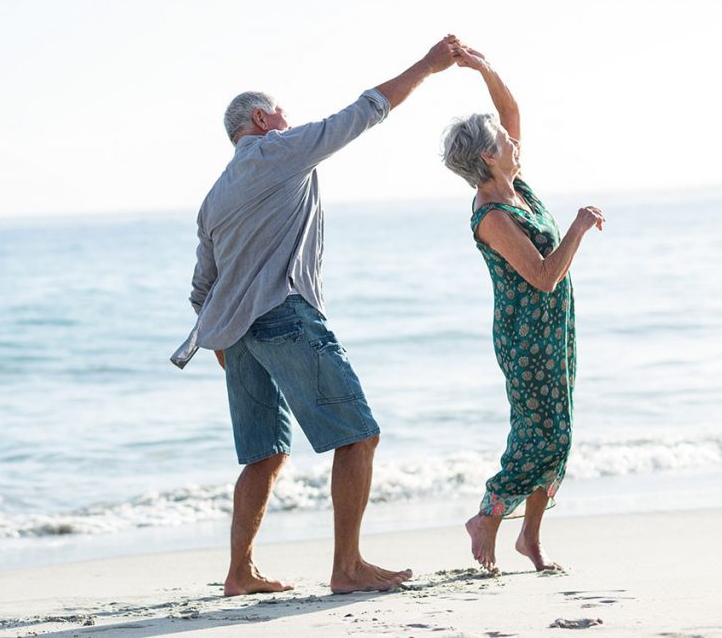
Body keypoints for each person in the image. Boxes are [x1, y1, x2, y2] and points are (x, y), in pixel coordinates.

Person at [171, 35, 462, 595]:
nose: (289, 118)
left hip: (236, 336)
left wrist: (225, 346)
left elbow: (201, 287)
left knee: (265, 454)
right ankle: (347, 566)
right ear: (261, 118)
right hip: (284, 315)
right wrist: (428, 65)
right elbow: (363, 112)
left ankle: (239, 572)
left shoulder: (214, 196)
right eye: (281, 111)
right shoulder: (279, 149)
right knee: (359, 436)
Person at [441, 46, 605, 573]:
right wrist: (578, 228)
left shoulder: (516, 187)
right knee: (544, 434)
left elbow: (510, 117)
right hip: (526, 334)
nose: (515, 140)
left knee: (560, 431)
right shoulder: (491, 212)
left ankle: (529, 539)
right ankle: (488, 513)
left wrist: (485, 69)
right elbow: (541, 276)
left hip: (556, 327)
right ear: (488, 156)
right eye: (504, 141)